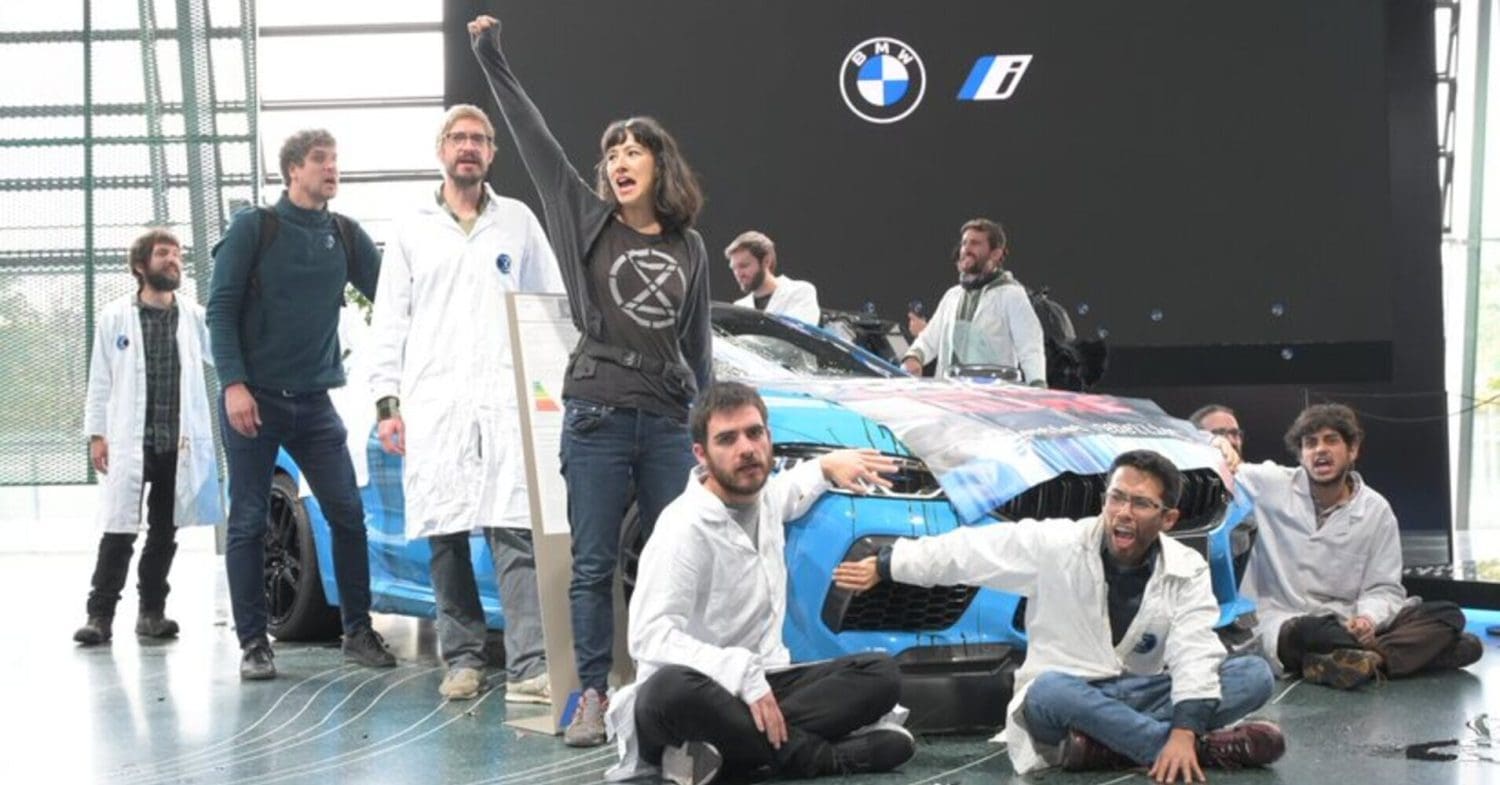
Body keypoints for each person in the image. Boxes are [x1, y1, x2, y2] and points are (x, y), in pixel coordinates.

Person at [468, 14, 713, 746]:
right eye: (612, 153)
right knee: (594, 564)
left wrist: (702, 428)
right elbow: (533, 132)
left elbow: (696, 346)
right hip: (599, 414)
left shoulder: (690, 245)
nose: (619, 161)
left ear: (660, 166)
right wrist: (491, 55)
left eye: (634, 151)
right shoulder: (583, 218)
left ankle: (671, 697)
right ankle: (591, 697)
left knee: (676, 563)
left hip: (667, 421)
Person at [835, 450, 1286, 781]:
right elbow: (969, 551)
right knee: (1049, 690)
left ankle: (1112, 748)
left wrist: (1185, 724)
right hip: (1066, 699)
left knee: (1254, 674)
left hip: (1135, 693)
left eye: (1141, 504)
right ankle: (1178, 749)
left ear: (1168, 518)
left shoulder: (1185, 570)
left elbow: (1194, 651)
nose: (1123, 514)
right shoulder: (1057, 544)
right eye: (1116, 498)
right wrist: (887, 563)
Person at [610, 382, 912, 785]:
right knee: (667, 691)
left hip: (762, 686)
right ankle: (822, 757)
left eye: (755, 433)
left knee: (881, 674)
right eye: (727, 439)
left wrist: (826, 465)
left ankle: (728, 758)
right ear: (701, 453)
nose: (746, 449)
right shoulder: (681, 528)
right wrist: (736, 671)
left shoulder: (764, 496)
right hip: (694, 695)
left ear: (768, 438)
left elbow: (793, 489)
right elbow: (649, 637)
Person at [367, 104, 564, 702]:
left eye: (479, 139)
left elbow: (548, 305)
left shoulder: (520, 222)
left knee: (514, 527)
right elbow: (390, 318)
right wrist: (386, 401)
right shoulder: (410, 227)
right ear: (441, 150)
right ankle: (463, 659)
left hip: (504, 400)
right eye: (459, 138)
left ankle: (530, 664)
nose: (469, 147)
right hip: (437, 401)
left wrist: (548, 394)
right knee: (446, 533)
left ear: (492, 153)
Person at [207, 129, 395, 680]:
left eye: (336, 159)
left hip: (314, 404)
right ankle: (253, 644)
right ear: (293, 171)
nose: (332, 168)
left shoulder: (343, 234)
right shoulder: (254, 228)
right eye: (320, 160)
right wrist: (234, 384)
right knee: (246, 520)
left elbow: (394, 297)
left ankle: (357, 631)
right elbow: (220, 311)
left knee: (348, 513)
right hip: (254, 400)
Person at [1228, 403, 1483, 689]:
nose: (1319, 450)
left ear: (1353, 450)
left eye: (1331, 440)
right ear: (1300, 455)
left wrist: (1367, 618)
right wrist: (1216, 444)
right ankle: (1394, 656)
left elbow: (1383, 587)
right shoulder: (1271, 485)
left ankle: (1355, 661)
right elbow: (1227, 467)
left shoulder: (1376, 510)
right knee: (1315, 632)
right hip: (1294, 622)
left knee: (1448, 614)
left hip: (1352, 622)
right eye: (1310, 443)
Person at [76, 228, 223, 645]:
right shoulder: (115, 317)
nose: (173, 260)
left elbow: (223, 355)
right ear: (141, 265)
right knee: (119, 529)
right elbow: (99, 379)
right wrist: (97, 435)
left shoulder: (194, 316)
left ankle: (152, 613)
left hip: (178, 442)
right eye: (163, 253)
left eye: (177, 254)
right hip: (130, 440)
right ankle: (99, 615)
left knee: (164, 532)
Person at [900, 218, 1045, 385]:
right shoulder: (952, 296)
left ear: (995, 253)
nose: (966, 249)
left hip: (992, 401)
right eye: (964, 243)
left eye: (975, 243)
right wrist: (914, 357)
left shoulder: (1011, 295)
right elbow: (930, 338)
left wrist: (1038, 385)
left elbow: (1030, 348)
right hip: (950, 397)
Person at [724, 231, 821, 325]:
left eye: (744, 265)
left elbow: (799, 335)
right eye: (734, 268)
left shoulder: (800, 292)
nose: (738, 274)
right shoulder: (739, 307)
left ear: (766, 261)